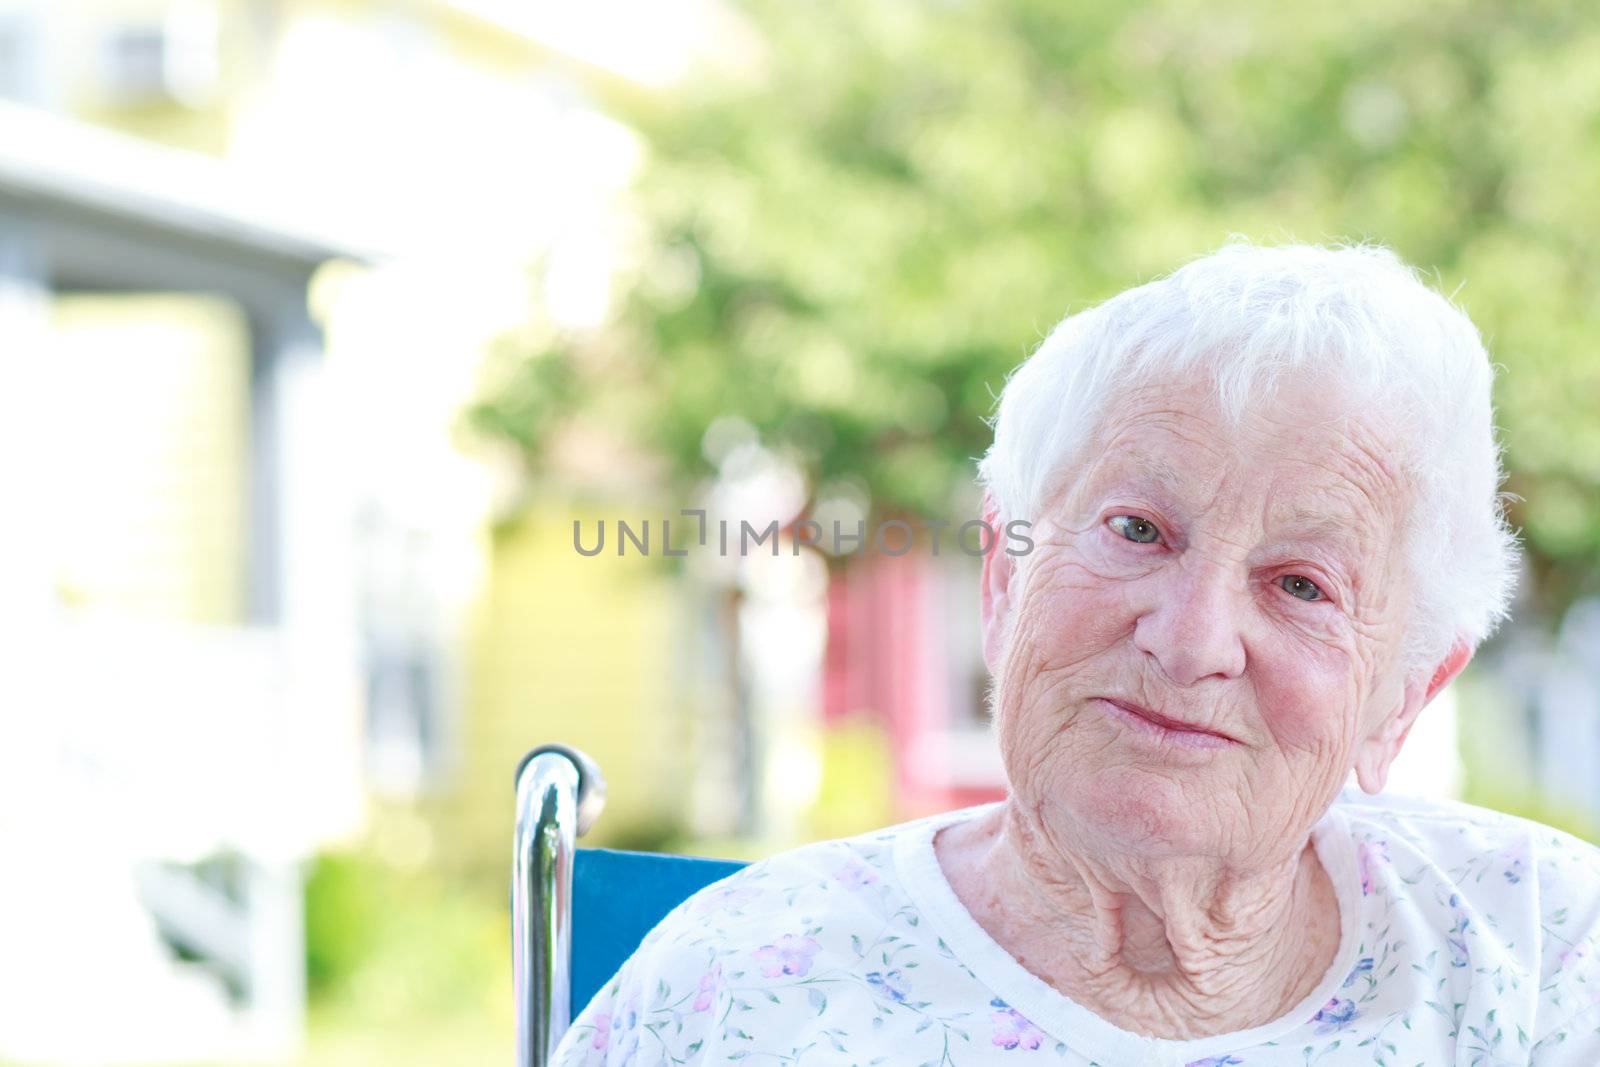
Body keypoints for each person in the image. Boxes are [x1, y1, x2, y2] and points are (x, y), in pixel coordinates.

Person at [553, 241, 1600, 1065]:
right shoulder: (734, 985)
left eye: (1299, 586)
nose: (1191, 640)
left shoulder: (1547, 951)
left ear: (1401, 699)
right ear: (1006, 581)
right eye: (1138, 528)